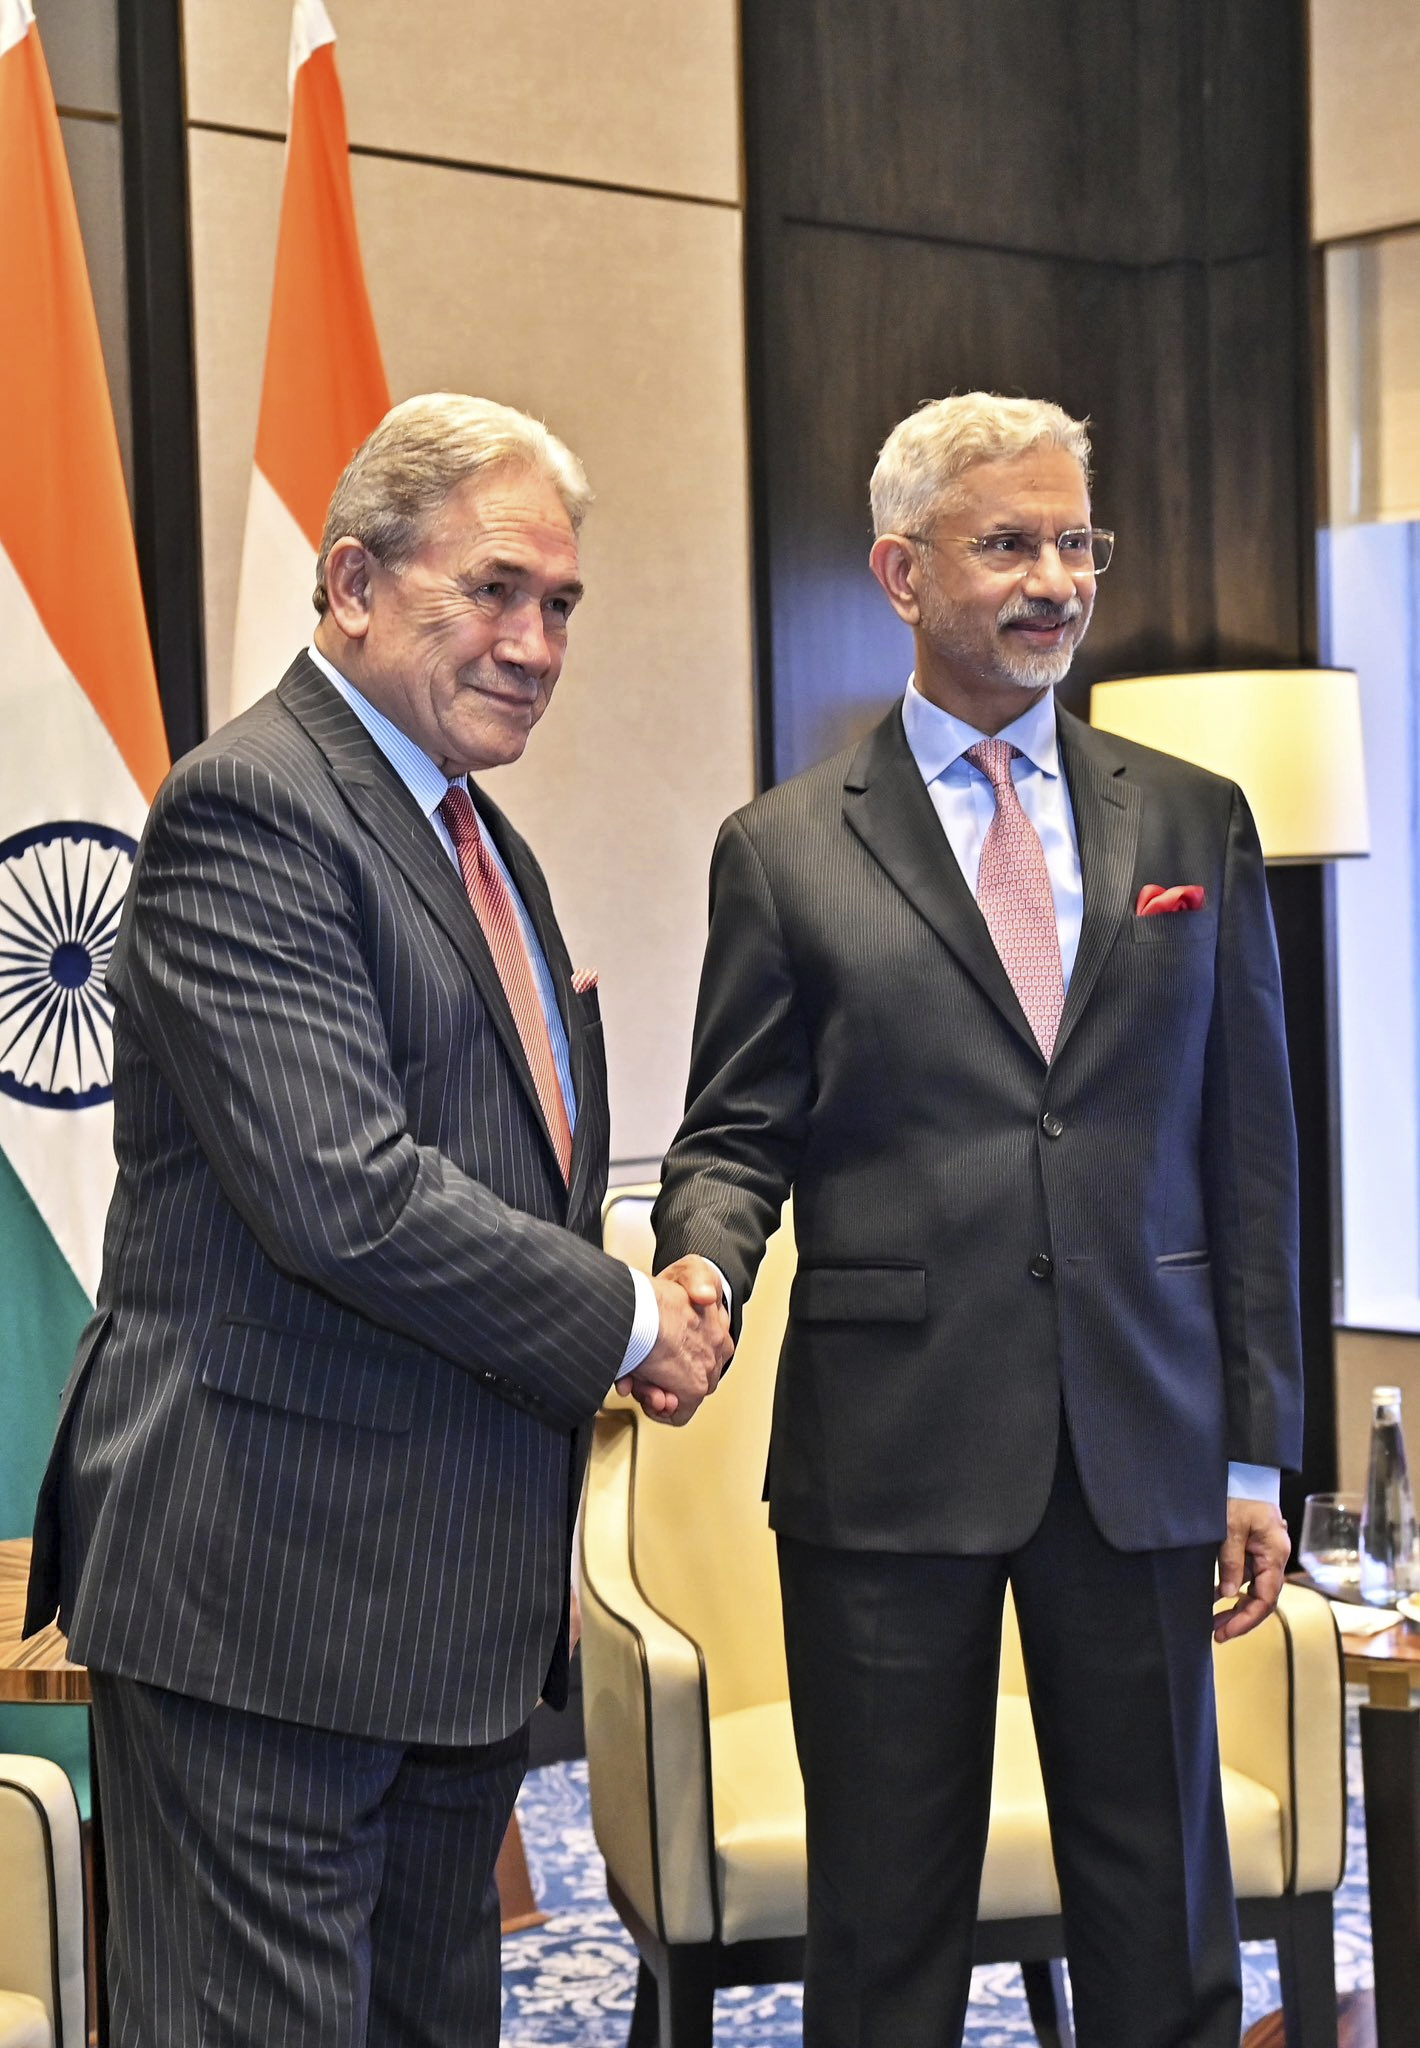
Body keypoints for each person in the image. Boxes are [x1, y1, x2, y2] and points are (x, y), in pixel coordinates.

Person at [25, 393, 730, 2048]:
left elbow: (507, 1173)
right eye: (492, 589)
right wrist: (631, 1322)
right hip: (264, 1599)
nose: (536, 641)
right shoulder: (250, 809)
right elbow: (343, 1193)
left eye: (561, 604)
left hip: (448, 1616)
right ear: (348, 584)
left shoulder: (484, 845)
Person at [653, 392, 1302, 2048]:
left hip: (1142, 1445)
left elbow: (1249, 1157)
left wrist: (1252, 1453)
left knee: (1165, 1914)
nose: (1055, 579)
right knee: (886, 1933)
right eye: (1008, 542)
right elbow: (736, 1128)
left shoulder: (1191, 818)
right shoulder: (787, 847)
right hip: (892, 1454)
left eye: (1076, 540)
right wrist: (698, 1270)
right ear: (901, 569)